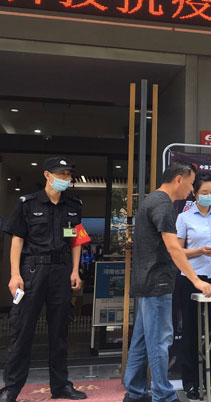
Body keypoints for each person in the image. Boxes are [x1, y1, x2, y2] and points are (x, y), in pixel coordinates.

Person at [123, 162, 211, 402]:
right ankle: (163, 395)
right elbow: (174, 248)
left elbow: (170, 248)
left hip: (146, 282)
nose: (192, 190)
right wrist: (196, 280)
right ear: (178, 179)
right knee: (159, 342)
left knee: (142, 341)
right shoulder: (163, 205)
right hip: (157, 283)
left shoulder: (151, 200)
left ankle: (135, 393)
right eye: (191, 184)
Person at [0, 157, 87, 402]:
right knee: (22, 330)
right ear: (48, 175)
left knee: (60, 331)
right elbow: (17, 240)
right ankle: (11, 388)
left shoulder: (74, 205)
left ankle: (60, 386)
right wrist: (14, 274)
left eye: (68, 175)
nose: (66, 179)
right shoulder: (27, 203)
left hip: (61, 270)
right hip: (33, 270)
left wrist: (75, 271)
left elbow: (76, 239)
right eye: (62, 174)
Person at [175, 173, 211, 400]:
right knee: (190, 330)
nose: (209, 196)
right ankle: (190, 384)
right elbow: (178, 251)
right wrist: (199, 251)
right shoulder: (184, 218)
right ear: (195, 193)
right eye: (205, 192)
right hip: (191, 276)